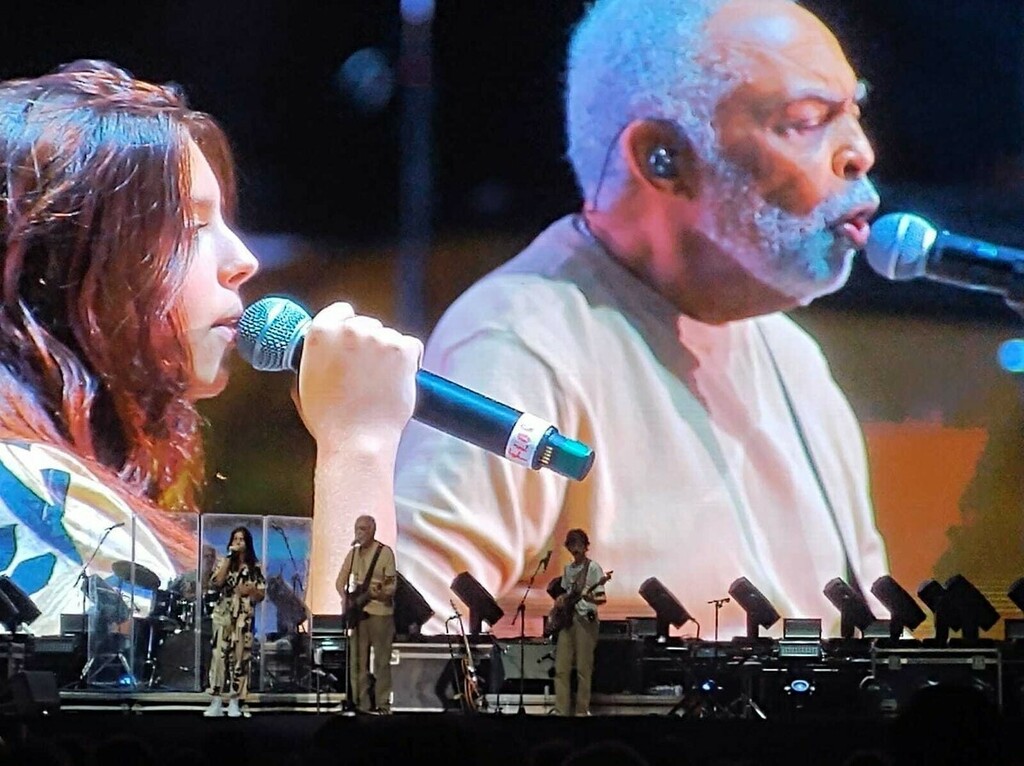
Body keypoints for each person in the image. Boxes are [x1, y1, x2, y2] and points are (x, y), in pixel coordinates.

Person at [395, 0, 890, 639]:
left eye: (853, 112)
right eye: (806, 121)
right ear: (663, 157)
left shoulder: (794, 358)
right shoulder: (519, 341)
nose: (860, 153)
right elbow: (403, 638)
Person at [0, 61, 421, 648]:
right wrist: (359, 448)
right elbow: (330, 723)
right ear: (66, 264)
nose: (243, 259)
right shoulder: (28, 494)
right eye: (192, 224)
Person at [334, 514, 397, 713]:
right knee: (357, 662)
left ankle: (383, 704)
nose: (359, 533)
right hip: (359, 616)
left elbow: (392, 586)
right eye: (357, 529)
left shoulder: (385, 553)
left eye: (363, 529)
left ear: (372, 531)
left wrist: (379, 594)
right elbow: (339, 581)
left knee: (381, 662)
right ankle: (361, 703)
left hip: (380, 614)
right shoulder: (353, 554)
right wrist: (347, 599)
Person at [204, 526, 265, 717]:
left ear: (247, 543)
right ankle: (215, 700)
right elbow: (216, 583)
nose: (238, 542)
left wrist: (250, 591)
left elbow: (261, 595)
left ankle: (234, 700)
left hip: (243, 618)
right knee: (219, 658)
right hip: (223, 616)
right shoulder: (224, 561)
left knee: (239, 659)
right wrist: (229, 557)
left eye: (242, 539)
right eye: (235, 539)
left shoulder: (255, 567)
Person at [551, 529, 607, 717]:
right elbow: (567, 594)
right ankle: (561, 712)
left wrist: (588, 596)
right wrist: (561, 600)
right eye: (571, 545)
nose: (575, 549)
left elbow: (601, 599)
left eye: (578, 545)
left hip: (585, 620)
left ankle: (582, 712)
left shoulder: (593, 569)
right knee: (561, 668)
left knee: (584, 669)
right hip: (568, 620)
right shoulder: (568, 569)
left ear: (585, 546)